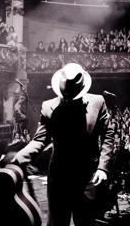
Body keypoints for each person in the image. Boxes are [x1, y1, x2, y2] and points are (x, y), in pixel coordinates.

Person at [14, 63, 115, 226]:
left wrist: (103, 168)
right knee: (57, 223)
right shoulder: (49, 106)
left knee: (85, 221)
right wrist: (18, 158)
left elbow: (108, 135)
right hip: (59, 177)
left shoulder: (98, 102)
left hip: (87, 176)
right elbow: (40, 140)